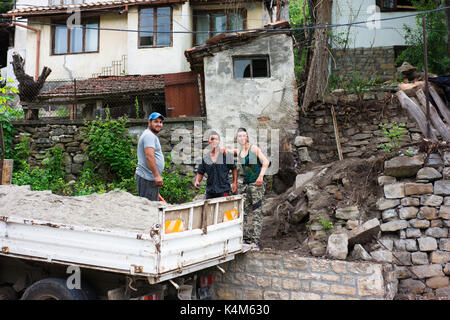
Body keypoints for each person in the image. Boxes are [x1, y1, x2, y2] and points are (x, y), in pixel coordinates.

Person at [233, 128, 270, 248]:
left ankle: (255, 241)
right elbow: (226, 151)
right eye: (239, 136)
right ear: (237, 139)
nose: (242, 138)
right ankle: (246, 238)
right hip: (246, 184)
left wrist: (260, 177)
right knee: (243, 210)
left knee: (256, 212)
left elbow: (266, 162)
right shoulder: (239, 152)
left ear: (247, 137)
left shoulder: (253, 148)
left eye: (244, 136)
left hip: (256, 184)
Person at [194, 131, 238, 199]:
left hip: (224, 190)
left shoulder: (225, 155)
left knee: (224, 209)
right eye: (212, 139)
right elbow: (200, 172)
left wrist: (235, 183)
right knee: (209, 209)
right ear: (209, 142)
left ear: (219, 141)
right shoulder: (205, 158)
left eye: (216, 139)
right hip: (210, 191)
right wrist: (197, 181)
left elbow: (234, 168)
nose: (214, 141)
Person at [135, 112, 165, 201]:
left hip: (148, 178)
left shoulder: (150, 135)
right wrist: (156, 176)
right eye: (156, 122)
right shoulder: (149, 136)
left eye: (160, 122)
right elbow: (149, 156)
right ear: (149, 123)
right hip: (147, 178)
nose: (159, 124)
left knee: (151, 207)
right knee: (149, 209)